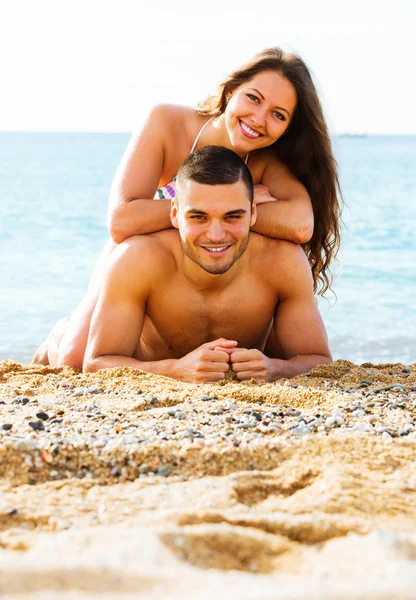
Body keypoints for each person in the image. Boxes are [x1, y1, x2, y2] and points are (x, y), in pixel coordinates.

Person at [33, 47, 341, 369]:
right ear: (232, 88)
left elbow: (301, 223)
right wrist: (196, 210)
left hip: (198, 259)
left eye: (278, 115)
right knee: (72, 359)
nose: (259, 119)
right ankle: (58, 334)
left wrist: (232, 213)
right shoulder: (169, 123)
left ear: (287, 128)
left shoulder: (267, 162)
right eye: (253, 98)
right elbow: (122, 219)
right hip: (140, 248)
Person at [83, 146, 332, 382]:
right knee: (64, 354)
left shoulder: (283, 261)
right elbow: (96, 364)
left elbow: (320, 361)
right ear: (174, 214)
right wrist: (174, 370)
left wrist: (277, 369)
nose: (215, 235)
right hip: (155, 370)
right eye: (198, 217)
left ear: (253, 213)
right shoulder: (137, 259)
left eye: (232, 216)